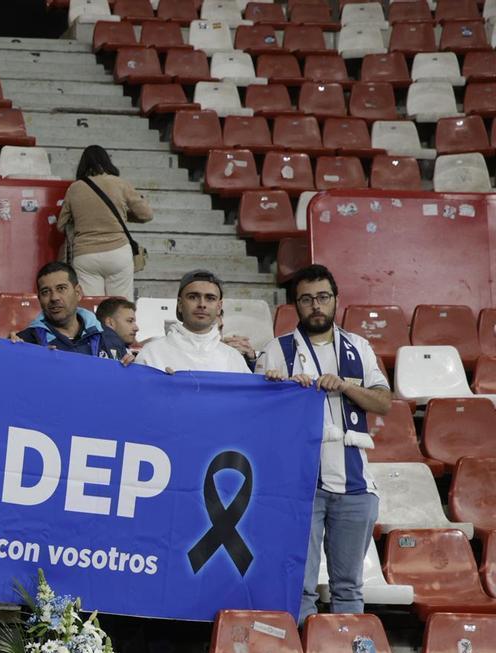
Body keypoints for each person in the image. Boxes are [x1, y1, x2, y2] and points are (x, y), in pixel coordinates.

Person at [258, 265, 391, 625]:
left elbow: (383, 402)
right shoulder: (276, 351)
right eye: (307, 299)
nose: (316, 305)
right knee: (300, 587)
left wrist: (346, 386)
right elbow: (257, 420)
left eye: (323, 297)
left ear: (335, 300)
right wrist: (275, 388)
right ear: (294, 306)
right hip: (300, 486)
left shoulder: (358, 347)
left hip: (356, 483)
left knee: (348, 586)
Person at [58, 145, 152, 299]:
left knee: (92, 308)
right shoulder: (120, 183)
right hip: (118, 253)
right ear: (107, 161)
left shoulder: (74, 188)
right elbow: (146, 215)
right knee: (120, 307)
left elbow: (61, 225)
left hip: (86, 255)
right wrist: (122, 216)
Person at [135, 270, 251, 374]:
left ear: (219, 307)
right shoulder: (151, 354)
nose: (202, 304)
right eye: (193, 297)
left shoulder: (234, 358)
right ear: (180, 304)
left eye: (210, 298)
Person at [12, 261, 131, 360]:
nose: (54, 298)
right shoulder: (26, 343)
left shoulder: (108, 337)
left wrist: (130, 370)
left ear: (78, 293)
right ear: (39, 299)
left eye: (61, 288)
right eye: (45, 292)